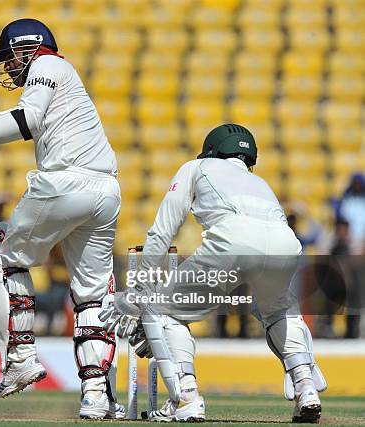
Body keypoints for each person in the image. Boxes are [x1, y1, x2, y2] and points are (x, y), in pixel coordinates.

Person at [0, 19, 123, 419]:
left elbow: (25, 121)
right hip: (104, 192)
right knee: (91, 295)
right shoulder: (59, 77)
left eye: (9, 56)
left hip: (63, 184)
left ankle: (20, 357)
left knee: (0, 251)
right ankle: (96, 396)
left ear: (28, 47)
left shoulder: (47, 66)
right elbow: (20, 118)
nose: (8, 66)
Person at [101, 124, 326, 423]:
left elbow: (163, 231)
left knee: (165, 312)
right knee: (279, 310)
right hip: (285, 245)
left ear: (212, 148)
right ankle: (306, 387)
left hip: (233, 243)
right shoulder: (259, 183)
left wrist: (141, 290)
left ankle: (185, 397)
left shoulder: (196, 166)